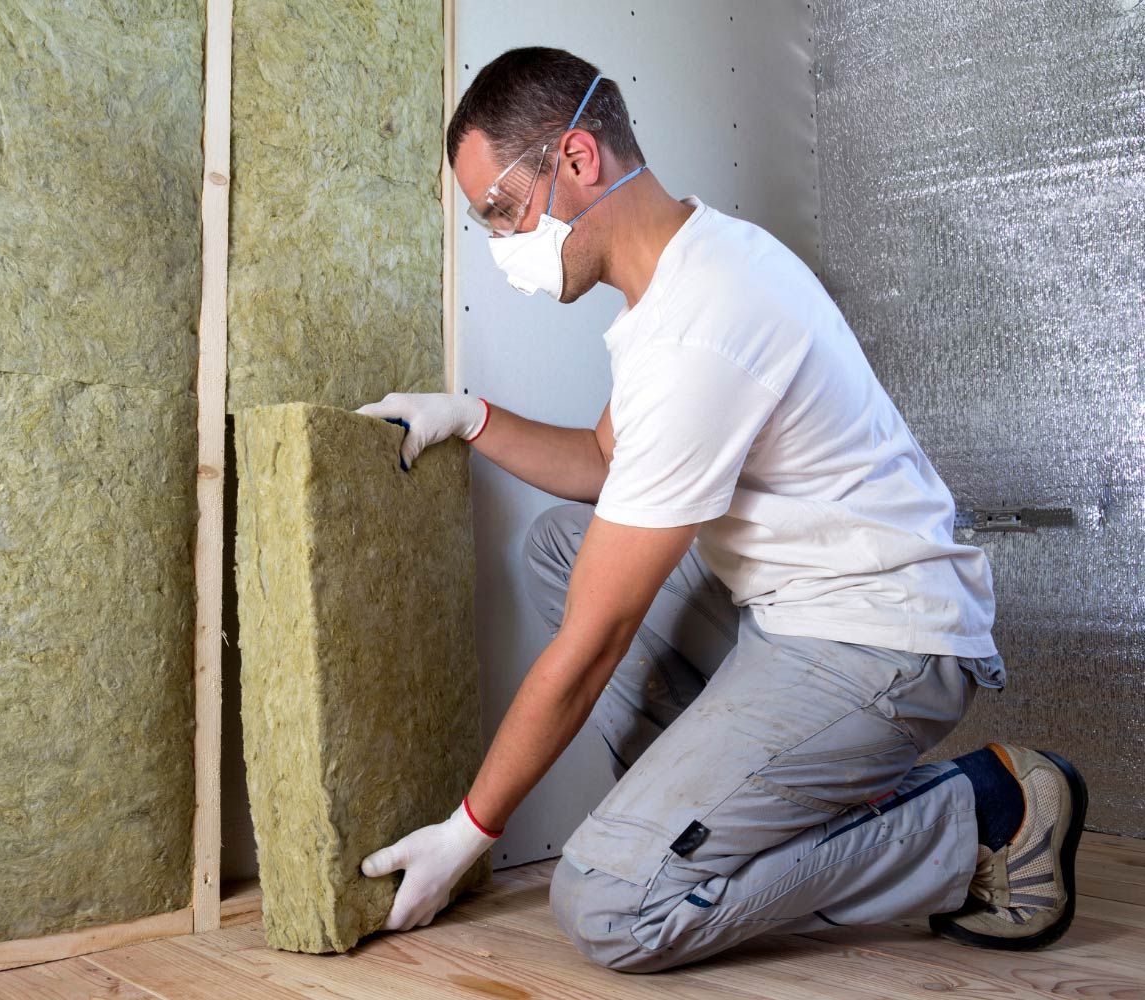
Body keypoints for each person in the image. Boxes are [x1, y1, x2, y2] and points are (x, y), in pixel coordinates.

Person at [353, 47, 1087, 972]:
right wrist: (470, 418)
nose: (501, 245)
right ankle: (724, 809)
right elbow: (602, 462)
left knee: (614, 905)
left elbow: (592, 647)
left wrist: (470, 829)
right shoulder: (687, 267)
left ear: (577, 159)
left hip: (882, 642)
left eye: (502, 211)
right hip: (796, 604)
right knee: (555, 547)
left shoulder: (702, 325)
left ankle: (978, 813)